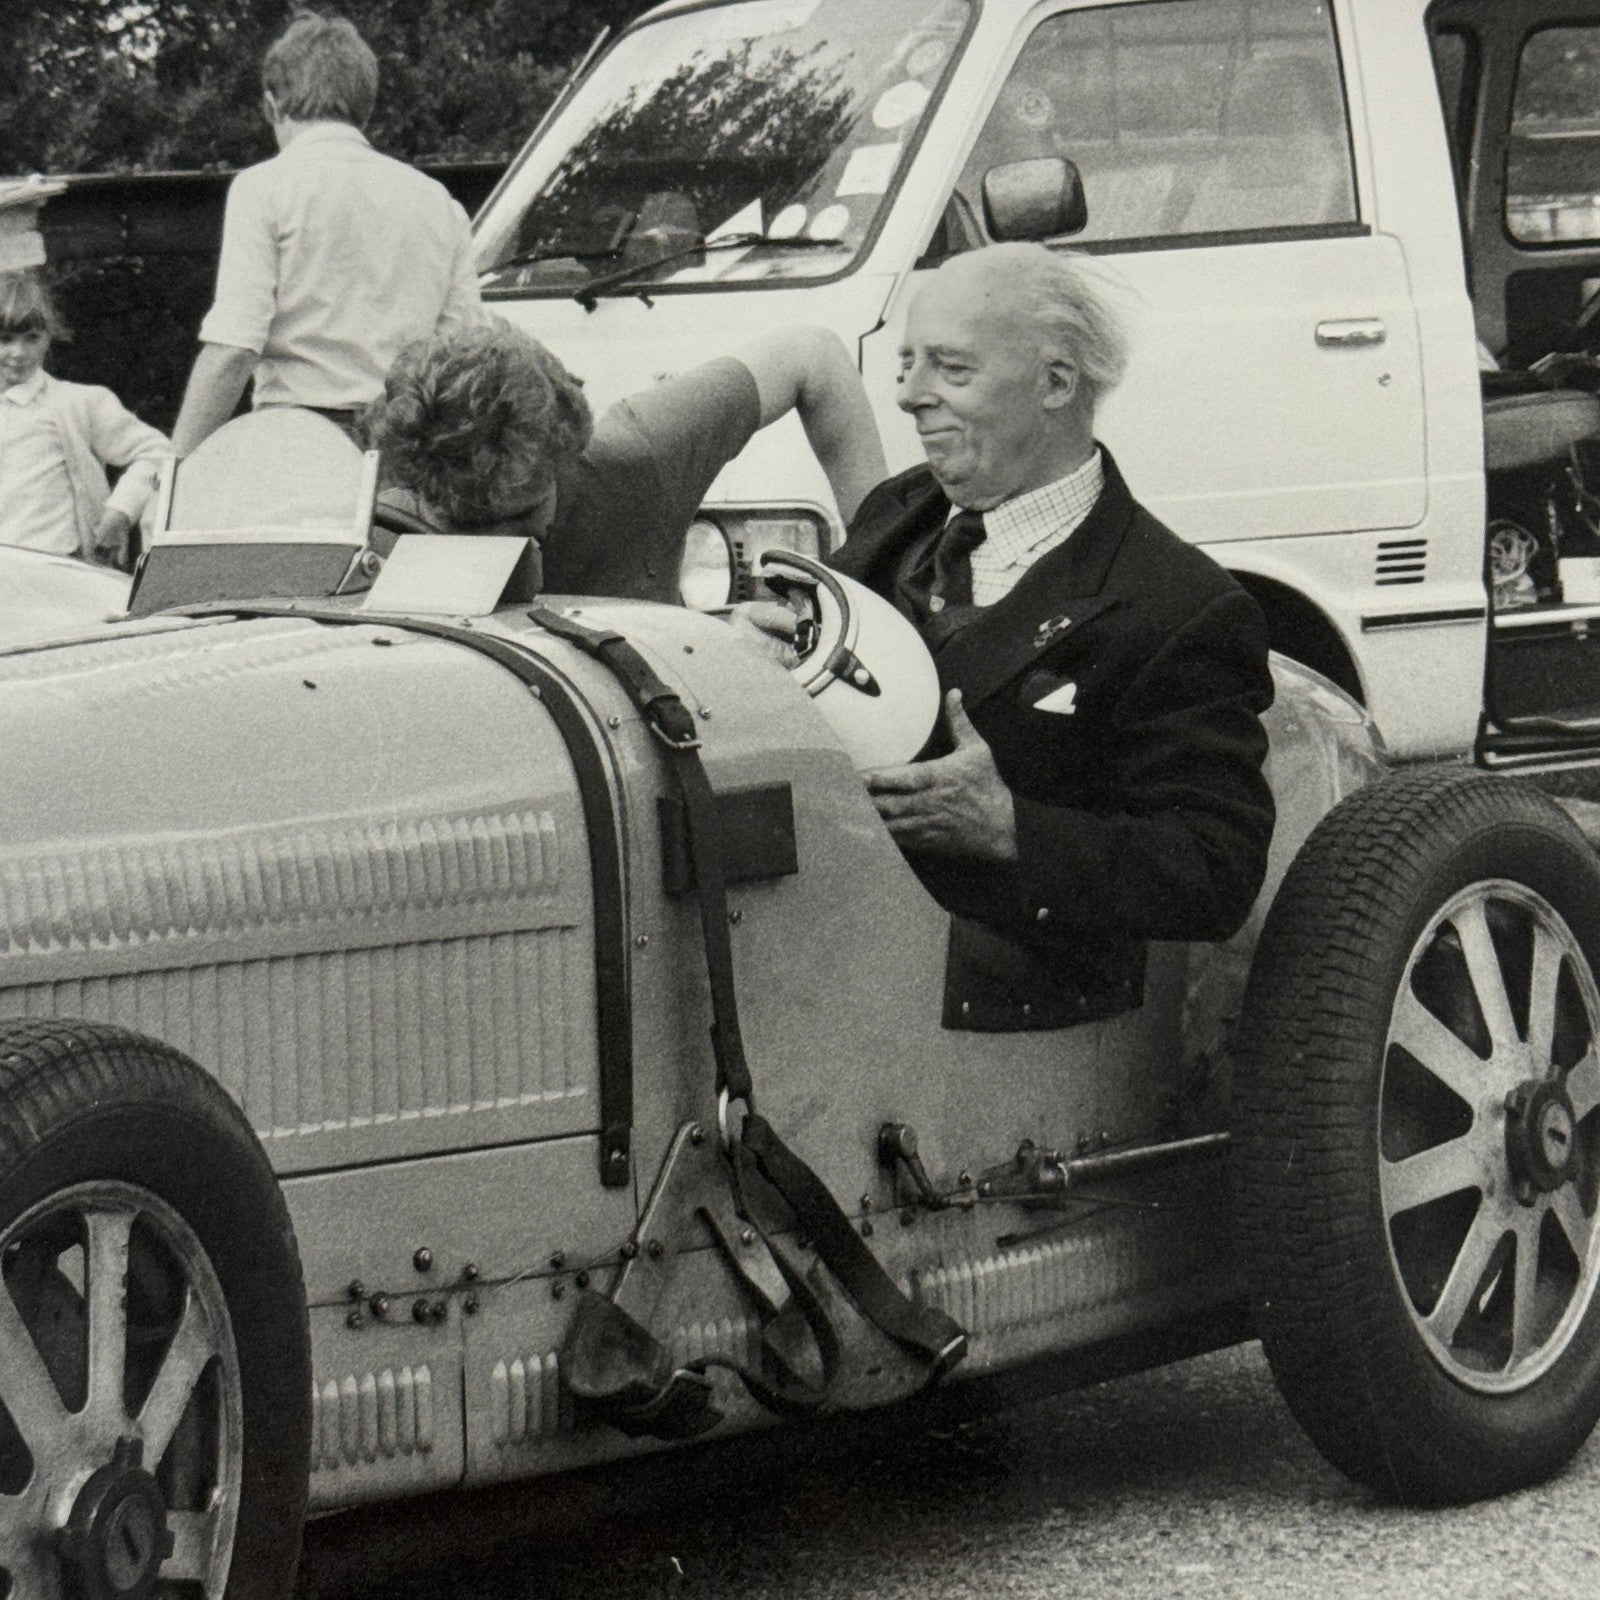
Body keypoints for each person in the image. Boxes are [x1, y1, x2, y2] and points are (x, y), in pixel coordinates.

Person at [823, 243, 1276, 1031]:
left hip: (1001, 995)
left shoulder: (1179, 607)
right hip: (835, 926)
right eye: (907, 364)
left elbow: (1216, 869)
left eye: (951, 370)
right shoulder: (900, 512)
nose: (907, 396)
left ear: (1057, 383)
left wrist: (1009, 828)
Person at [366, 318, 886, 605]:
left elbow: (813, 355)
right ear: (416, 488)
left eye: (527, 513)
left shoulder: (637, 455)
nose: (513, 542)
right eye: (473, 525)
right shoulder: (375, 523)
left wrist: (886, 564)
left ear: (566, 451)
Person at [170, 11, 481, 457]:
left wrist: (176, 470)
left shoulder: (264, 188)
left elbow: (234, 350)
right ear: (365, 107)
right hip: (407, 449)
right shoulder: (438, 202)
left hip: (297, 447)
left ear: (271, 106)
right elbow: (463, 352)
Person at [0, 270, 167, 568]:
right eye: (5, 339)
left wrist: (120, 512)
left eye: (31, 338)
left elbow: (157, 452)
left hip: (60, 566)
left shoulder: (77, 403)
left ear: (49, 335)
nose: (18, 352)